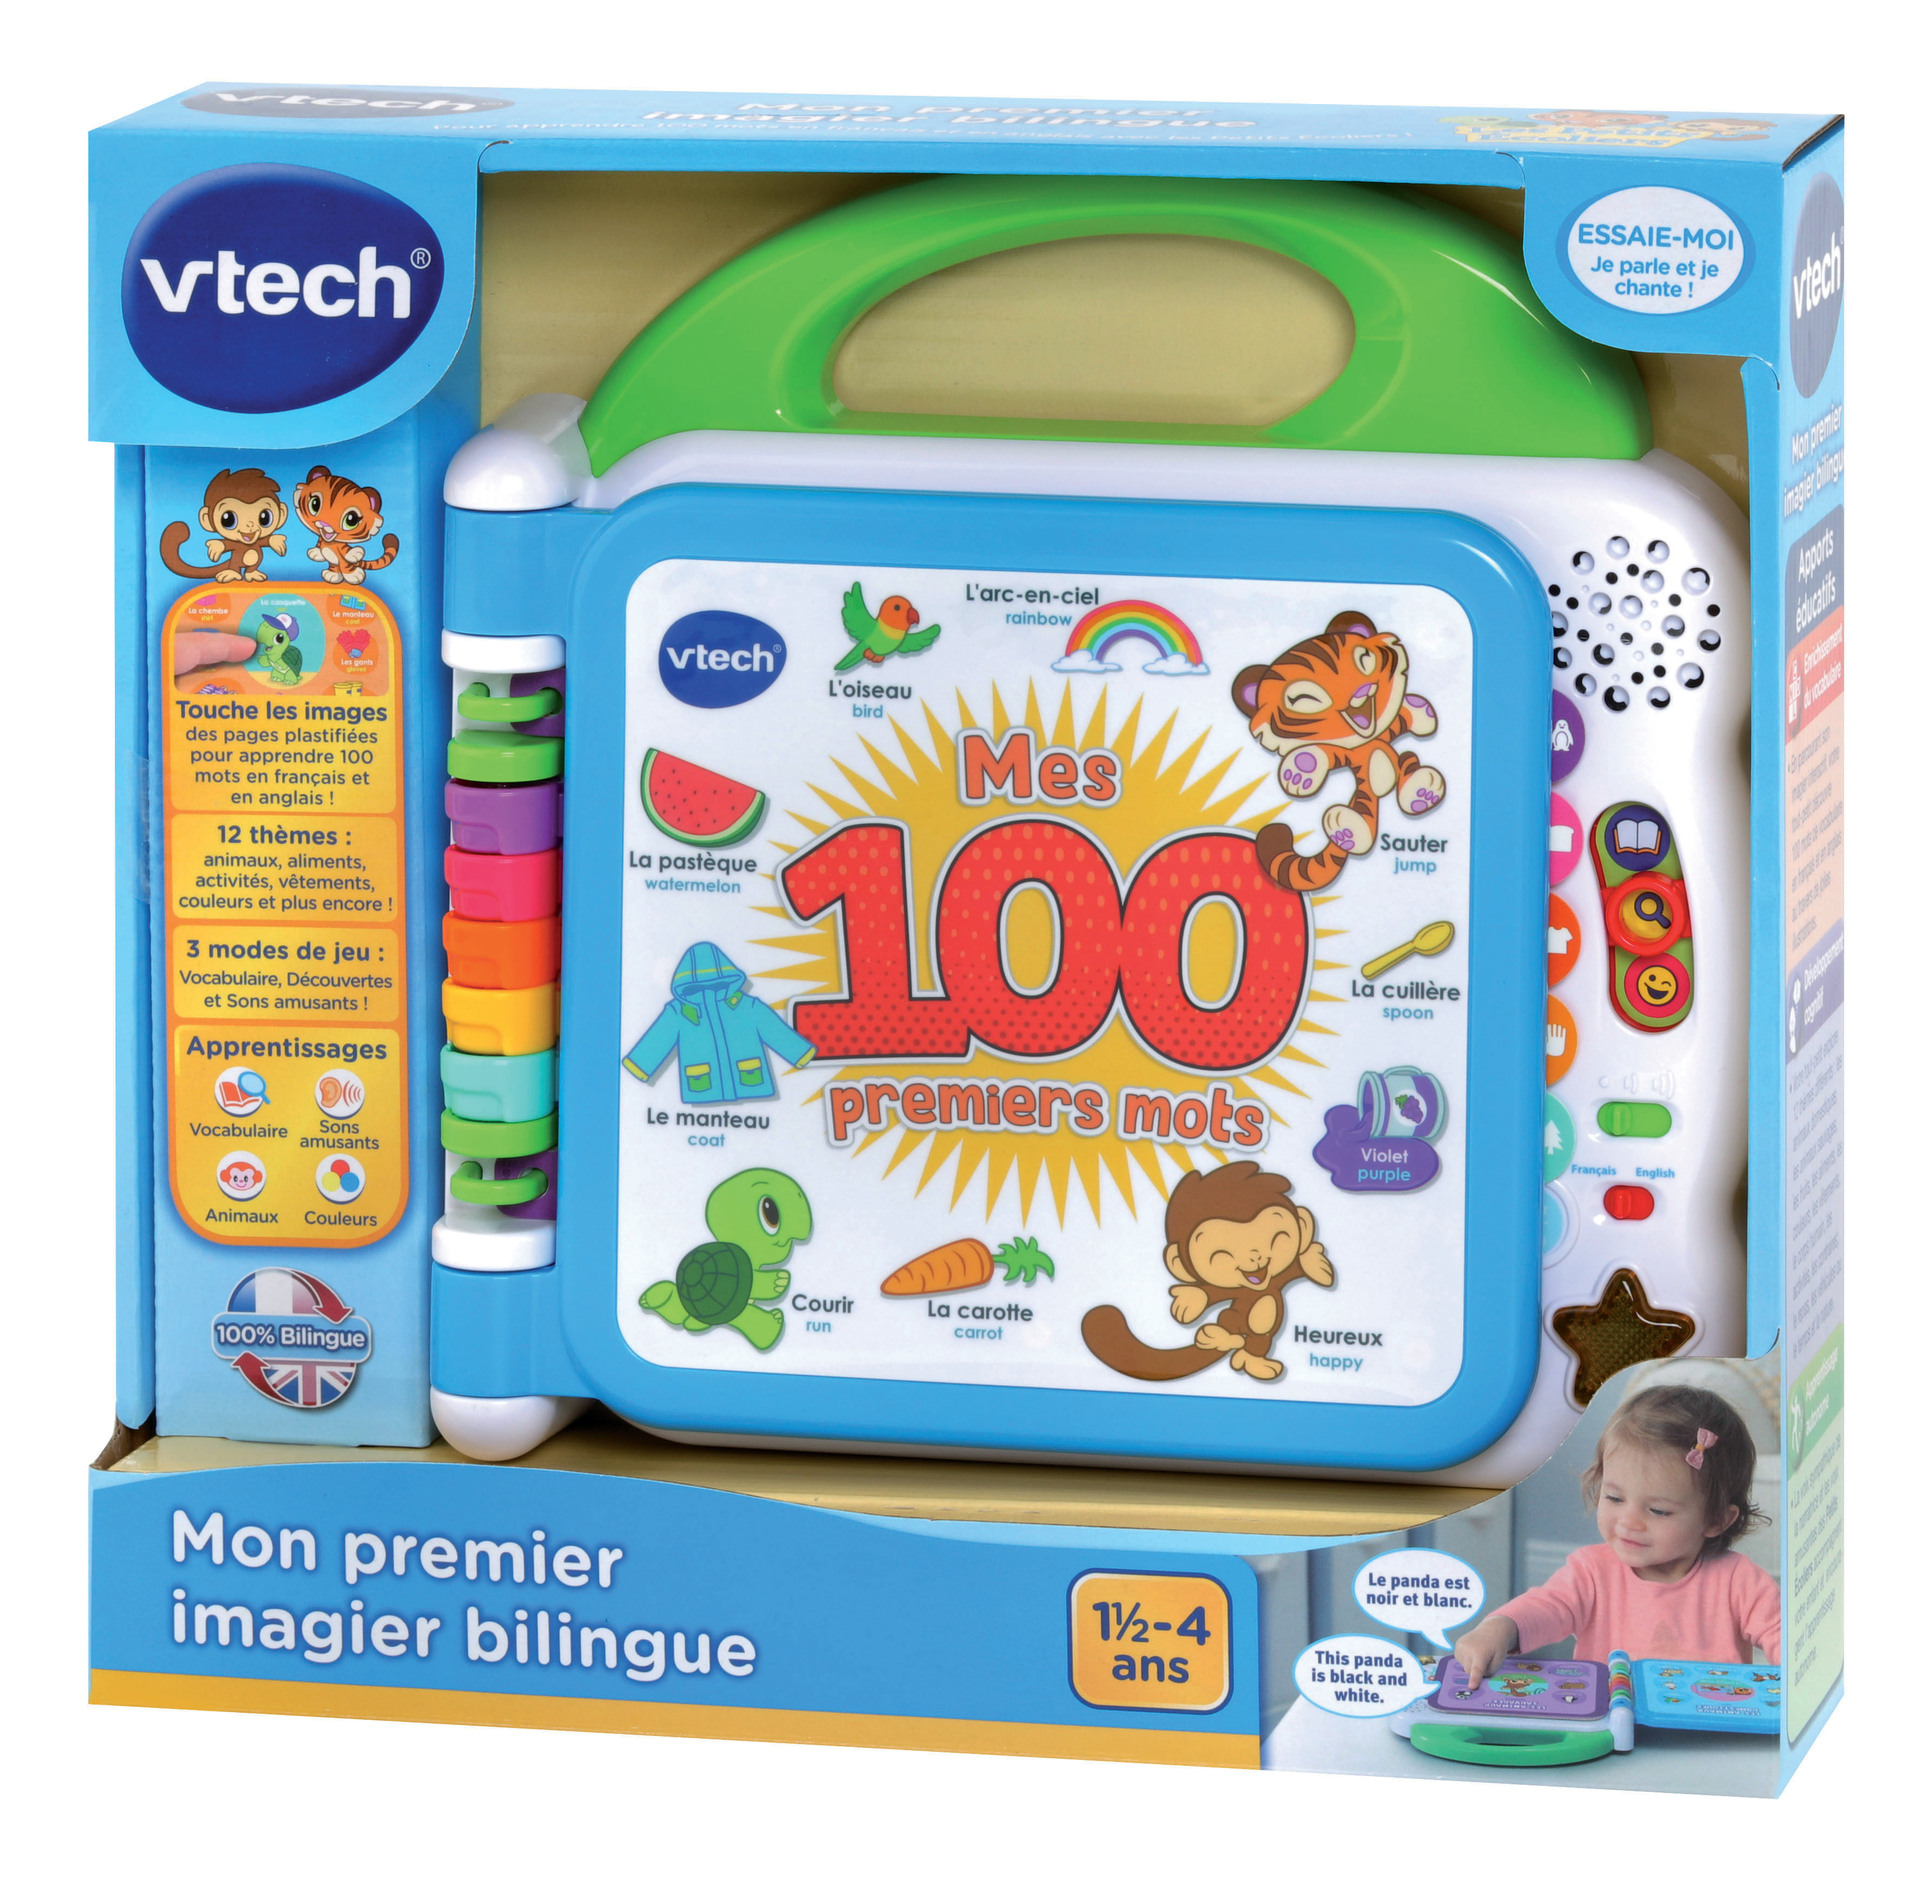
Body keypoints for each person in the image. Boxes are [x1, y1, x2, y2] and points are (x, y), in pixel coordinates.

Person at [1452, 1384, 1778, 1687]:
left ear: (1717, 1519)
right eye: (1615, 1498)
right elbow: (1546, 1607)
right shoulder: (1592, 1573)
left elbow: (1785, 1638)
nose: (1629, 1522)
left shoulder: (1739, 1582)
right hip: (1605, 1721)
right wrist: (1499, 1628)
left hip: (1709, 1724)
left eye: (1658, 1511)